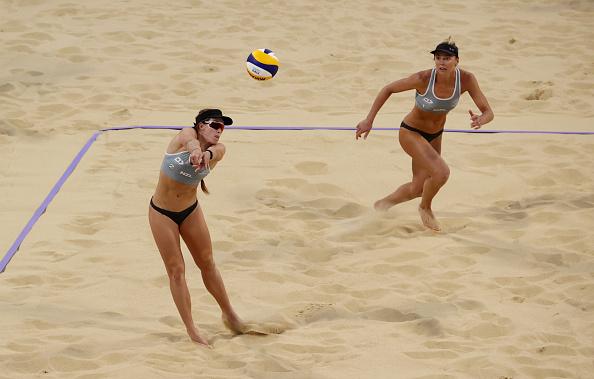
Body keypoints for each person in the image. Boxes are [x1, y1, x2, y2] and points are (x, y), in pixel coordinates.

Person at [355, 38, 494, 231]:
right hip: (411, 132)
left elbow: (488, 112)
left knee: (418, 188)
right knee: (442, 172)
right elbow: (388, 89)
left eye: (447, 58)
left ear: (457, 61)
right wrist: (369, 120)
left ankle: (382, 205)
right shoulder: (423, 78)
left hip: (435, 135)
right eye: (438, 58)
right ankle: (425, 208)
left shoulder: (467, 80)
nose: (442, 62)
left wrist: (481, 119)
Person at [148, 108, 247, 346]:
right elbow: (190, 141)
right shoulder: (185, 134)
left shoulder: (220, 149)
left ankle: (229, 313)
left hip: (190, 210)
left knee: (207, 263)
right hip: (162, 213)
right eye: (215, 125)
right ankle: (192, 329)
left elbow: (215, 152)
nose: (219, 131)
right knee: (177, 270)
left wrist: (206, 155)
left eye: (223, 127)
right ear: (202, 125)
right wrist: (194, 151)